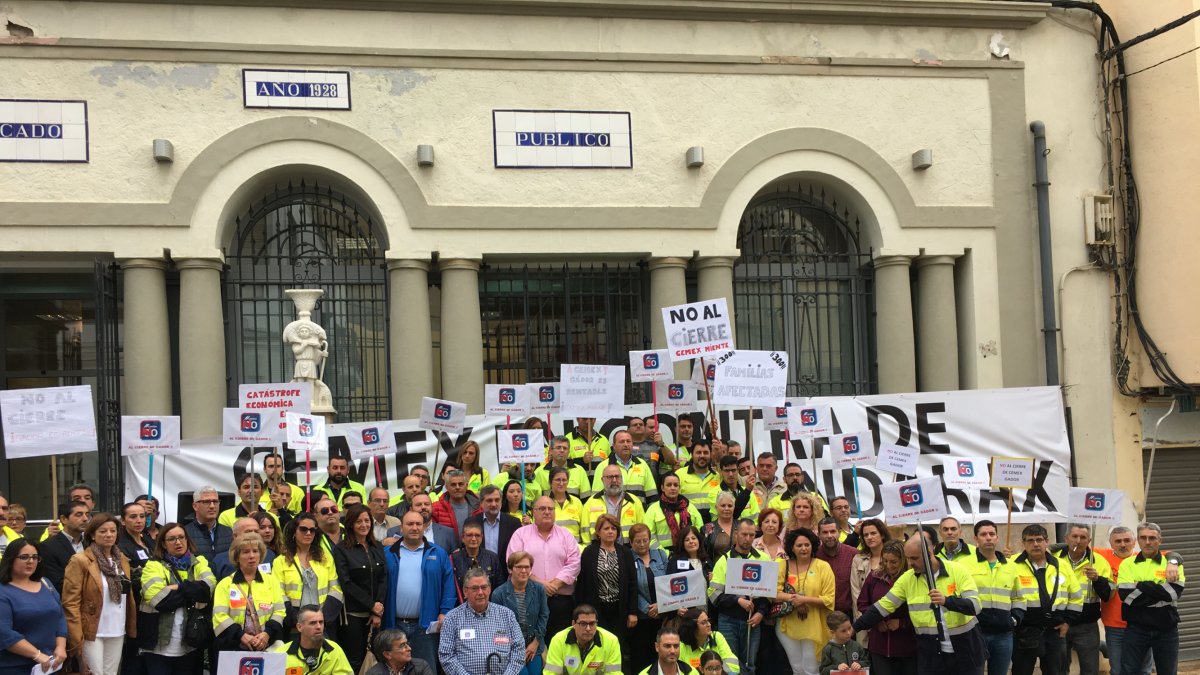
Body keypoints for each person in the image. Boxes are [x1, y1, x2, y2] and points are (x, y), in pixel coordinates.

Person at [853, 532, 987, 675]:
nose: (910, 563)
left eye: (914, 558)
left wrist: (947, 601)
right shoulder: (907, 579)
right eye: (908, 558)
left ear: (929, 554)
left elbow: (975, 606)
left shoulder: (957, 570)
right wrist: (854, 628)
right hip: (931, 657)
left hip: (966, 653)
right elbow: (881, 607)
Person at [63, 513, 137, 675]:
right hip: (92, 631)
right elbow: (70, 602)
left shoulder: (122, 559)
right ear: (92, 535)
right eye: (103, 531)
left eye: (112, 531)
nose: (108, 535)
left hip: (117, 628)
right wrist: (76, 637)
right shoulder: (80, 560)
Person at [137, 524, 215, 675]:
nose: (178, 542)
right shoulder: (153, 565)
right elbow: (159, 600)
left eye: (181, 537)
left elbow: (208, 588)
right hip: (158, 645)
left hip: (190, 644)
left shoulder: (199, 562)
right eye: (172, 539)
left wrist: (177, 587)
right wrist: (192, 589)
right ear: (163, 544)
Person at [383, 510, 457, 669]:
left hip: (426, 626)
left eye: (418, 524)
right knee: (394, 669)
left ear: (424, 527)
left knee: (426, 669)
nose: (414, 528)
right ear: (401, 528)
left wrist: (445, 611)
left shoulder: (438, 553)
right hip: (394, 625)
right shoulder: (387, 553)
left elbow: (448, 585)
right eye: (410, 524)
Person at [1095, 526, 1173, 675]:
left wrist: (1173, 562)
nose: (1123, 544)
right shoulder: (1102, 556)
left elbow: (1171, 554)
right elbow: (1074, 545)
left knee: (1143, 670)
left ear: (1134, 542)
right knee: (1118, 670)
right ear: (1110, 543)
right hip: (1115, 626)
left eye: (1127, 540)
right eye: (1118, 541)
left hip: (1142, 624)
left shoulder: (1144, 558)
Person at [1117, 521, 1186, 675]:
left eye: (1152, 538)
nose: (1147, 542)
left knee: (1168, 672)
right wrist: (1159, 589)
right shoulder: (1127, 564)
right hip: (1136, 628)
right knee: (1128, 671)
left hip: (1166, 629)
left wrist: (1141, 585)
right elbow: (1127, 597)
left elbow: (1173, 594)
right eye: (1143, 538)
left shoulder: (1172, 564)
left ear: (1160, 540)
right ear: (1138, 540)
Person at [508, 496, 582, 640]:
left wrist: (555, 584)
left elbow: (574, 562)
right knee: (531, 644)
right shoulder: (520, 534)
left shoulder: (566, 535)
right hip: (529, 599)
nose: (547, 512)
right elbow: (513, 563)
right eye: (542, 508)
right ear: (534, 512)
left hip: (560, 601)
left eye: (550, 509)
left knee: (559, 642)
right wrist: (542, 585)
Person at [1009, 524, 1078, 675]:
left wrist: (1068, 622)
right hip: (1024, 631)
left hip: (1055, 631)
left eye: (1039, 540)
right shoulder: (1011, 564)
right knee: (1021, 671)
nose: (1035, 544)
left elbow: (1076, 597)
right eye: (1030, 540)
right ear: (1023, 543)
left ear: (1047, 541)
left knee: (1056, 672)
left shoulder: (1062, 566)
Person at [211, 532, 286, 669]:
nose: (251, 556)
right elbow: (219, 616)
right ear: (237, 557)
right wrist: (241, 636)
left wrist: (267, 634)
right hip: (233, 647)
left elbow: (280, 611)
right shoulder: (225, 584)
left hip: (266, 645)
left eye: (255, 551)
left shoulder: (271, 581)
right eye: (245, 552)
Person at [709, 519, 771, 675]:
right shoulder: (724, 560)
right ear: (736, 534)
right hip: (728, 621)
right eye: (744, 534)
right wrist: (738, 600)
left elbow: (769, 594)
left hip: (753, 622)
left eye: (751, 535)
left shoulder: (764, 559)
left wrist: (761, 613)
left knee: (750, 665)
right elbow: (713, 594)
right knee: (730, 666)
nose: (748, 539)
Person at [438, 568, 525, 675]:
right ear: (465, 591)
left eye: (484, 587)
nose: (480, 592)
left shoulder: (507, 615)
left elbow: (519, 649)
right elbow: (446, 655)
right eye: (475, 588)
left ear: (490, 589)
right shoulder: (452, 618)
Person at [0, 538, 68, 675]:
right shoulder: (3, 590)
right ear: (10, 559)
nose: (30, 561)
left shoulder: (46, 583)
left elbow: (60, 617)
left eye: (35, 557)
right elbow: (4, 632)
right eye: (24, 557)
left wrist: (61, 647)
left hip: (49, 665)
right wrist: (36, 654)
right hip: (14, 667)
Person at [1050, 523, 1111, 675]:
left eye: (1083, 537)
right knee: (1058, 668)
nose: (1078, 540)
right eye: (1074, 536)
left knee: (1090, 669)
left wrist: (1097, 579)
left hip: (1086, 625)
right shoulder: (1052, 559)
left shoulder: (1099, 561)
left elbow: (1107, 595)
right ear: (1066, 539)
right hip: (1058, 623)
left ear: (1089, 540)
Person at [775, 527, 837, 675]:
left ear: (812, 546)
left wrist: (803, 600)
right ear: (792, 547)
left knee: (812, 669)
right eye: (799, 545)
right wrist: (794, 600)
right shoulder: (782, 565)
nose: (803, 548)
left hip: (814, 625)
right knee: (797, 668)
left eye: (807, 545)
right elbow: (773, 594)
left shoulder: (823, 567)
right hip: (787, 626)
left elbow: (829, 599)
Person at [333, 504, 386, 673]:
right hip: (352, 615)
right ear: (350, 524)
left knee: (374, 660)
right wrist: (371, 605)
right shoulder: (342, 549)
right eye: (359, 521)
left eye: (367, 520)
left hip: (375, 615)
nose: (364, 525)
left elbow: (383, 578)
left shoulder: (377, 546)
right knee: (354, 661)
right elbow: (346, 583)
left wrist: (377, 609)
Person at [274, 513, 343, 638]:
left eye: (312, 530)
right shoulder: (280, 561)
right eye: (303, 529)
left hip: (322, 624)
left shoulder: (325, 558)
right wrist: (297, 620)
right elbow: (278, 594)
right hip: (294, 625)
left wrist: (322, 618)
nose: (308, 533)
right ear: (294, 532)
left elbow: (336, 589)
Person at [963, 520, 1018, 675]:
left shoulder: (1010, 566)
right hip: (975, 633)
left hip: (1003, 634)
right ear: (975, 538)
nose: (988, 537)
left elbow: (1018, 597)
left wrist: (1014, 619)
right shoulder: (963, 565)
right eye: (983, 534)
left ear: (997, 537)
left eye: (992, 534)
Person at [576, 515, 637, 651]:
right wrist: (579, 611)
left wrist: (632, 612)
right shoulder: (589, 552)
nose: (610, 531)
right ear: (598, 532)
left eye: (613, 529)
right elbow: (582, 583)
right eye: (606, 528)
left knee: (617, 645)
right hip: (595, 609)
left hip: (619, 609)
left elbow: (632, 584)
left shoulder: (625, 553)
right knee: (597, 646)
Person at [857, 540, 917, 675]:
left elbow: (922, 610)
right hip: (879, 645)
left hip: (907, 645)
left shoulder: (912, 578)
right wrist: (876, 620)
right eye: (885, 561)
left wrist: (902, 623)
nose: (888, 566)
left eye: (893, 562)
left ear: (903, 560)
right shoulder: (874, 577)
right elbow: (862, 603)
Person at [491, 551, 549, 675]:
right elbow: (498, 627)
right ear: (510, 569)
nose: (523, 571)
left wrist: (535, 643)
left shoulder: (539, 590)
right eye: (519, 567)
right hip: (510, 649)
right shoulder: (498, 594)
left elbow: (544, 616)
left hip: (534, 645)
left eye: (527, 567)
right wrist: (517, 649)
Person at [629, 523, 669, 675]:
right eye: (637, 541)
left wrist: (661, 605)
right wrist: (647, 608)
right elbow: (629, 587)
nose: (642, 544)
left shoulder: (660, 555)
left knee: (662, 657)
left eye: (645, 540)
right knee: (641, 659)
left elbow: (670, 582)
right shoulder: (627, 558)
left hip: (663, 616)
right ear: (631, 542)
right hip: (641, 619)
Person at [273, 604, 353, 675]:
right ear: (299, 627)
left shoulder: (335, 650)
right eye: (313, 623)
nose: (318, 627)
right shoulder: (281, 654)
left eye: (321, 622)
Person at [543, 604, 623, 675]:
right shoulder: (558, 640)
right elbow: (551, 673)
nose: (588, 629)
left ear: (597, 623)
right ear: (573, 624)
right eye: (583, 624)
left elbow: (614, 673)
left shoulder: (611, 641)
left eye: (592, 623)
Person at [582, 464, 647, 545]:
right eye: (610, 477)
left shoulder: (634, 501)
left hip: (627, 550)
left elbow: (642, 530)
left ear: (622, 478)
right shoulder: (591, 502)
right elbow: (584, 532)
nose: (614, 480)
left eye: (617, 476)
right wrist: (590, 550)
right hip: (598, 550)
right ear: (602, 480)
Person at [591, 430, 658, 503]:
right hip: (613, 510)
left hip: (638, 510)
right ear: (614, 446)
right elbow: (596, 498)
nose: (626, 444)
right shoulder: (603, 466)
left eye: (628, 441)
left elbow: (652, 496)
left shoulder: (642, 464)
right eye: (622, 442)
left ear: (632, 444)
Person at [464, 484, 522, 564]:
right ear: (481, 503)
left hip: (505, 570)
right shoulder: (471, 522)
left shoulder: (513, 523)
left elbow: (518, 552)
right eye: (489, 500)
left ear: (501, 501)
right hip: (479, 569)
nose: (494, 504)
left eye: (497, 500)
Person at [40, 500, 90, 592]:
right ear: (63, 519)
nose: (85, 519)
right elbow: (56, 583)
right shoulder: (48, 547)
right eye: (79, 515)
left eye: (87, 514)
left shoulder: (91, 543)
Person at [645, 474, 702, 551]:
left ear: (679, 488)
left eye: (676, 485)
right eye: (669, 485)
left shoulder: (690, 507)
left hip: (688, 552)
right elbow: (649, 536)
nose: (673, 488)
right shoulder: (653, 509)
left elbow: (699, 530)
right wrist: (664, 553)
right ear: (662, 488)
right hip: (663, 555)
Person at [815, 518, 859, 616]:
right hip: (822, 613)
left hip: (849, 614)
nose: (829, 536)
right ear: (819, 535)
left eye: (833, 531)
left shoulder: (853, 554)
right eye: (825, 532)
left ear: (839, 532)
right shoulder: (814, 556)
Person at [848, 518, 889, 619]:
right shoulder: (858, 559)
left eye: (873, 533)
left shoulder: (893, 557)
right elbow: (855, 591)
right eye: (865, 535)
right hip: (864, 616)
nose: (869, 537)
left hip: (889, 613)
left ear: (882, 535)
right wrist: (864, 618)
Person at [678, 609, 739, 674]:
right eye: (703, 622)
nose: (709, 624)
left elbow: (731, 663)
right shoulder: (680, 646)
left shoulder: (717, 637)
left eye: (708, 621)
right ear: (692, 627)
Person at [451, 521, 505, 593]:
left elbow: (500, 587)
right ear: (463, 538)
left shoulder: (492, 558)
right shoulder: (454, 559)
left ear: (482, 537)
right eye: (469, 535)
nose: (473, 539)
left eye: (477, 535)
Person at [184, 486, 233, 563]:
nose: (212, 506)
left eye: (215, 501)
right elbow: (186, 561)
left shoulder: (229, 532)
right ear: (195, 506)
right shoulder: (185, 534)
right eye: (206, 502)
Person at [535, 436, 592, 501]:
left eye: (565, 448)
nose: (562, 450)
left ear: (569, 452)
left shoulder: (579, 471)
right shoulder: (539, 472)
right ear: (550, 450)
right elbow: (536, 501)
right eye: (558, 447)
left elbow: (586, 500)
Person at [676, 439, 720, 523]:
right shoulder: (679, 475)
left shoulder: (717, 476)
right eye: (698, 452)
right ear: (692, 455)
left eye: (705, 453)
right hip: (690, 525)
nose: (702, 455)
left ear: (710, 455)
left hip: (713, 525)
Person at [544, 467, 586, 545]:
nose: (561, 483)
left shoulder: (576, 502)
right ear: (550, 482)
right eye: (558, 480)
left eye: (564, 480)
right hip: (552, 548)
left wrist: (584, 548)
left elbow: (584, 530)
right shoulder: (544, 503)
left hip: (575, 548)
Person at [365, 629, 435, 675]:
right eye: (402, 646)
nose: (409, 648)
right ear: (387, 654)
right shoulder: (374, 673)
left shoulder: (421, 667)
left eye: (407, 644)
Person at [717, 456, 759, 522]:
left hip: (750, 528)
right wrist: (747, 492)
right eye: (727, 471)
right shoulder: (715, 493)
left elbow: (756, 518)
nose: (731, 474)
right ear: (721, 471)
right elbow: (732, 516)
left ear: (738, 470)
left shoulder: (748, 491)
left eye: (733, 470)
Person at [703, 493, 737, 560]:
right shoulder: (708, 527)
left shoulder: (741, 526)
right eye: (723, 505)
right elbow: (703, 553)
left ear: (734, 507)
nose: (726, 508)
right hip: (714, 566)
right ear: (716, 507)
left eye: (730, 506)